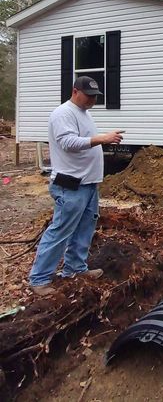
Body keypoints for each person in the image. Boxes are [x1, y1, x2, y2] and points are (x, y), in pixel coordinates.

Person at [28, 76, 124, 296]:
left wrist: (101, 140)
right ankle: (39, 279)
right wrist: (102, 139)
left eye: (95, 96)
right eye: (89, 96)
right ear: (75, 92)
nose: (92, 100)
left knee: (84, 229)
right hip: (70, 184)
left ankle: (75, 269)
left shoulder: (85, 113)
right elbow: (68, 143)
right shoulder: (63, 113)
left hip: (88, 184)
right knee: (60, 230)